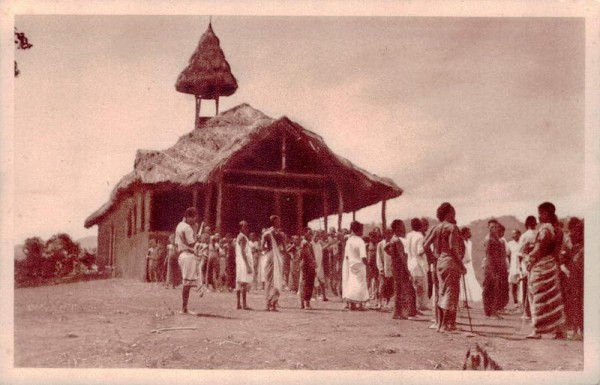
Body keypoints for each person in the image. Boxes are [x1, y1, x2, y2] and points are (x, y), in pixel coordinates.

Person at [523, 202, 566, 339]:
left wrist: (529, 258)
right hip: (552, 265)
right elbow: (557, 251)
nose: (539, 216)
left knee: (538, 296)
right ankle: (558, 330)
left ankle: (538, 330)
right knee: (552, 297)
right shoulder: (558, 229)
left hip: (541, 267)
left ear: (546, 214)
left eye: (540, 213)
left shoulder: (545, 230)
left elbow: (539, 249)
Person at [423, 203, 465, 332]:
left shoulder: (437, 228)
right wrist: (461, 264)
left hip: (439, 262)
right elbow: (452, 247)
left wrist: (432, 257)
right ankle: (445, 325)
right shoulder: (452, 227)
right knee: (450, 293)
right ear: (448, 213)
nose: (455, 214)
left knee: (442, 292)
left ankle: (441, 323)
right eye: (453, 211)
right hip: (450, 262)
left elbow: (425, 245)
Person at [385, 220, 418, 320]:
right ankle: (401, 312)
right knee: (402, 290)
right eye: (402, 226)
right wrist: (408, 270)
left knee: (398, 289)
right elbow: (402, 256)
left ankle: (397, 312)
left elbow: (386, 248)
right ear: (397, 227)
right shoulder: (397, 240)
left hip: (394, 267)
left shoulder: (392, 239)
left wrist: (393, 255)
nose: (403, 228)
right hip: (400, 268)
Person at [175, 207, 200, 315]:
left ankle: (184, 308)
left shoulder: (179, 225)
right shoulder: (188, 228)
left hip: (182, 254)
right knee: (187, 283)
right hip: (187, 255)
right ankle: (184, 308)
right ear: (189, 217)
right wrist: (196, 235)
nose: (194, 220)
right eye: (194, 218)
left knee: (187, 283)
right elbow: (192, 243)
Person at [563, 217, 584, 339]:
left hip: (576, 273)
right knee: (576, 301)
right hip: (574, 273)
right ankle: (577, 329)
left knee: (577, 301)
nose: (571, 233)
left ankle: (578, 330)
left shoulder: (578, 243)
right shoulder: (572, 243)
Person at [342, 221, 369, 310]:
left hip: (351, 265)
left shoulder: (349, 241)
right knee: (361, 284)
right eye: (362, 230)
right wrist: (368, 265)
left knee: (352, 283)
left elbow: (346, 255)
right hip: (360, 265)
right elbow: (363, 257)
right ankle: (360, 305)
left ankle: (352, 304)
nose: (362, 232)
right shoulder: (360, 241)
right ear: (358, 230)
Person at [262, 215, 285, 311]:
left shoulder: (280, 234)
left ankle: (274, 303)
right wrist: (269, 252)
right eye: (277, 221)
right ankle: (268, 304)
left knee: (278, 280)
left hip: (278, 256)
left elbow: (284, 247)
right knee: (271, 279)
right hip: (272, 256)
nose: (279, 222)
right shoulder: (268, 233)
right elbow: (262, 246)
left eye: (279, 220)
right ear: (273, 222)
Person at [482, 220, 505, 319]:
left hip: (495, 266)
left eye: (495, 227)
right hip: (490, 266)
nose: (494, 228)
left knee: (495, 289)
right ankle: (490, 312)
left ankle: (492, 311)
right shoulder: (489, 239)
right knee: (489, 288)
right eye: (492, 227)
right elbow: (488, 254)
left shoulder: (496, 238)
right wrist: (492, 268)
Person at [406, 218, 429, 311]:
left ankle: (414, 306)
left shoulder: (409, 235)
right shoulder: (420, 236)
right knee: (420, 287)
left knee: (413, 286)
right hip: (418, 264)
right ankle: (420, 306)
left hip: (410, 263)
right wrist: (427, 248)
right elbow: (420, 251)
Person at [518, 215, 537, 319]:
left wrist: (521, 266)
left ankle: (528, 312)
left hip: (528, 263)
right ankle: (530, 311)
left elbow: (520, 253)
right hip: (532, 262)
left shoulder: (525, 235)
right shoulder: (537, 233)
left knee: (527, 287)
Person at [459, 227, 482, 306]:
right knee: (462, 282)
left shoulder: (470, 243)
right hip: (463, 263)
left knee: (470, 281)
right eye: (469, 232)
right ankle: (463, 302)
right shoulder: (460, 241)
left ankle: (466, 302)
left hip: (469, 264)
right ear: (465, 233)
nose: (470, 234)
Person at [235, 220, 254, 310]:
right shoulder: (242, 237)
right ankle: (244, 304)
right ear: (241, 228)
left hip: (240, 261)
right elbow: (243, 252)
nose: (247, 228)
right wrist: (247, 265)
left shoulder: (240, 236)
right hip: (243, 262)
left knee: (239, 283)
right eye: (245, 227)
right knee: (243, 283)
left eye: (247, 226)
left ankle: (239, 304)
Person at [298, 227, 317, 309]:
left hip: (306, 264)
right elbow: (307, 254)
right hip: (307, 264)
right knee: (307, 283)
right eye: (309, 233)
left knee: (304, 282)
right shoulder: (305, 243)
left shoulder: (307, 243)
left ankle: (302, 303)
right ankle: (306, 303)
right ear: (305, 233)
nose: (311, 235)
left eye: (311, 234)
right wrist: (313, 262)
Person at [376, 229, 394, 310]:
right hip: (383, 268)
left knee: (390, 286)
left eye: (390, 234)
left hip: (391, 268)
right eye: (388, 234)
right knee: (382, 285)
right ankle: (379, 302)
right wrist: (380, 268)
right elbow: (378, 257)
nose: (389, 236)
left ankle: (387, 302)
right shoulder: (380, 244)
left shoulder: (392, 243)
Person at [506, 229, 522, 311]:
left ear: (519, 234)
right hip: (513, 267)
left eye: (515, 234)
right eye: (512, 234)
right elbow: (508, 255)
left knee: (522, 285)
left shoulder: (522, 242)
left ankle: (522, 303)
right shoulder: (510, 244)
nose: (513, 236)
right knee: (514, 286)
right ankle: (516, 304)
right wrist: (510, 266)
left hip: (521, 266)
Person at [312, 231, 328, 301]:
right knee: (313, 281)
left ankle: (324, 296)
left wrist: (327, 245)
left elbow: (321, 250)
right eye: (315, 236)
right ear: (313, 236)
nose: (316, 237)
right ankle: (313, 296)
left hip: (320, 265)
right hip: (314, 265)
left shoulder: (319, 244)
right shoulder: (311, 244)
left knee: (322, 281)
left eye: (318, 236)